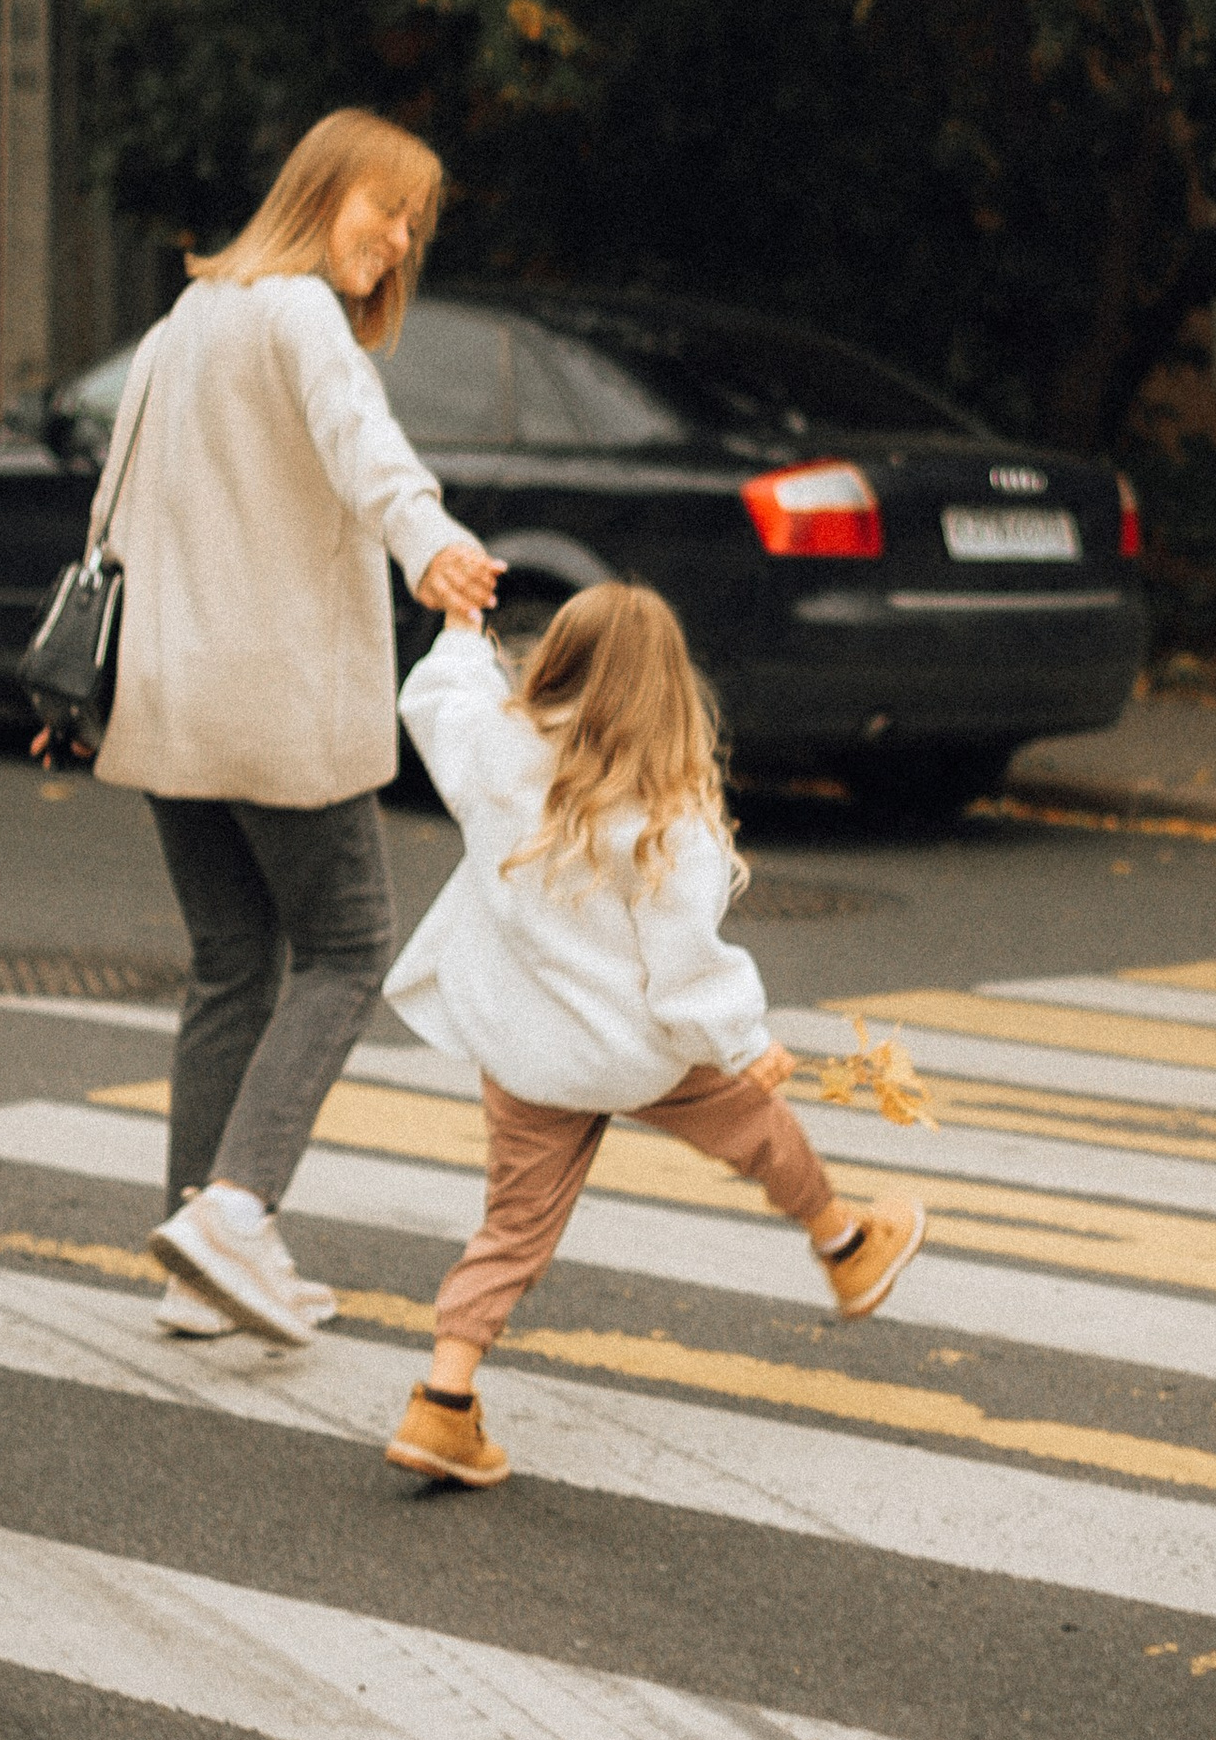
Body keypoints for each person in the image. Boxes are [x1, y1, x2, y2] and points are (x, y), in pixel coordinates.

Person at [88, 108, 503, 1345]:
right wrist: (432, 546)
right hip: (274, 703)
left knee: (230, 967)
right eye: (387, 205)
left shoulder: (185, 321)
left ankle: (192, 1264)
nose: (399, 235)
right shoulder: (296, 315)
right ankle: (236, 1209)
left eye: (414, 222)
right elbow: (362, 445)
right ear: (320, 190)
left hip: (170, 702)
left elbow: (113, 509)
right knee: (345, 950)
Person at [377, 582, 925, 1489]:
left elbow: (439, 702)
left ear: (552, 660)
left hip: (527, 1051)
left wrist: (464, 633)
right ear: (670, 689)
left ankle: (442, 1403)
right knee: (756, 1124)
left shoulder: (495, 753)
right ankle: (845, 1247)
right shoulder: (670, 816)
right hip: (635, 1052)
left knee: (513, 1228)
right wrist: (747, 1043)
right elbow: (685, 967)